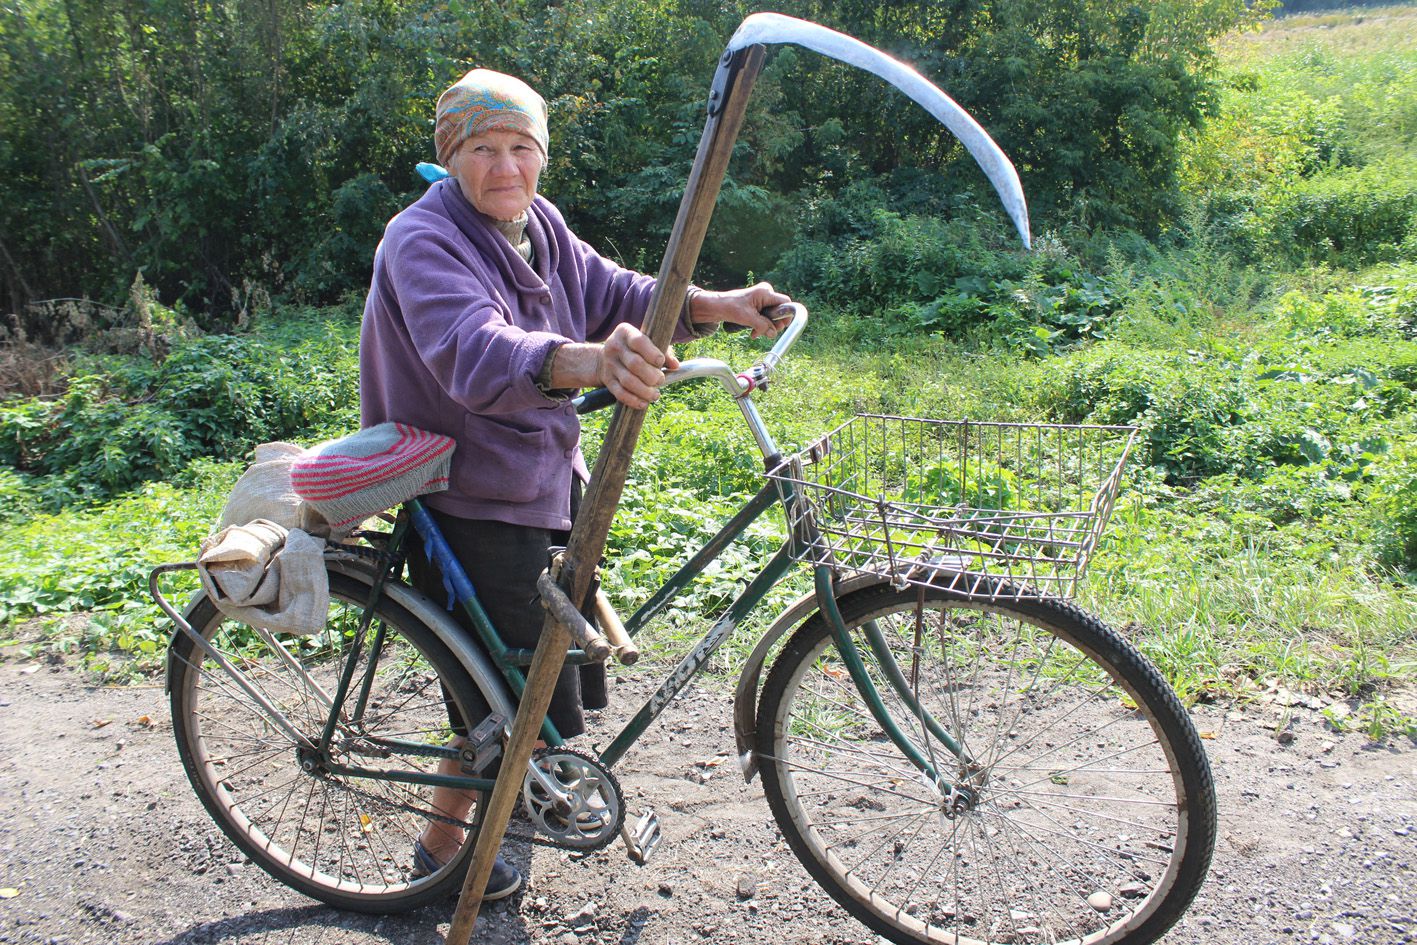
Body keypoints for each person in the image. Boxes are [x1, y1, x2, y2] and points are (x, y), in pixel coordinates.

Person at [358, 68, 791, 898]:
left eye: (521, 147)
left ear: (542, 158)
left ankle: (443, 844)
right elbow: (472, 348)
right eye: (482, 148)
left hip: (539, 470)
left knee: (502, 674)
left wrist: (717, 304)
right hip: (468, 484)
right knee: (513, 685)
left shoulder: (535, 224)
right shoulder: (421, 238)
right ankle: (484, 844)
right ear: (451, 156)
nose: (504, 167)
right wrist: (589, 359)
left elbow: (611, 289)